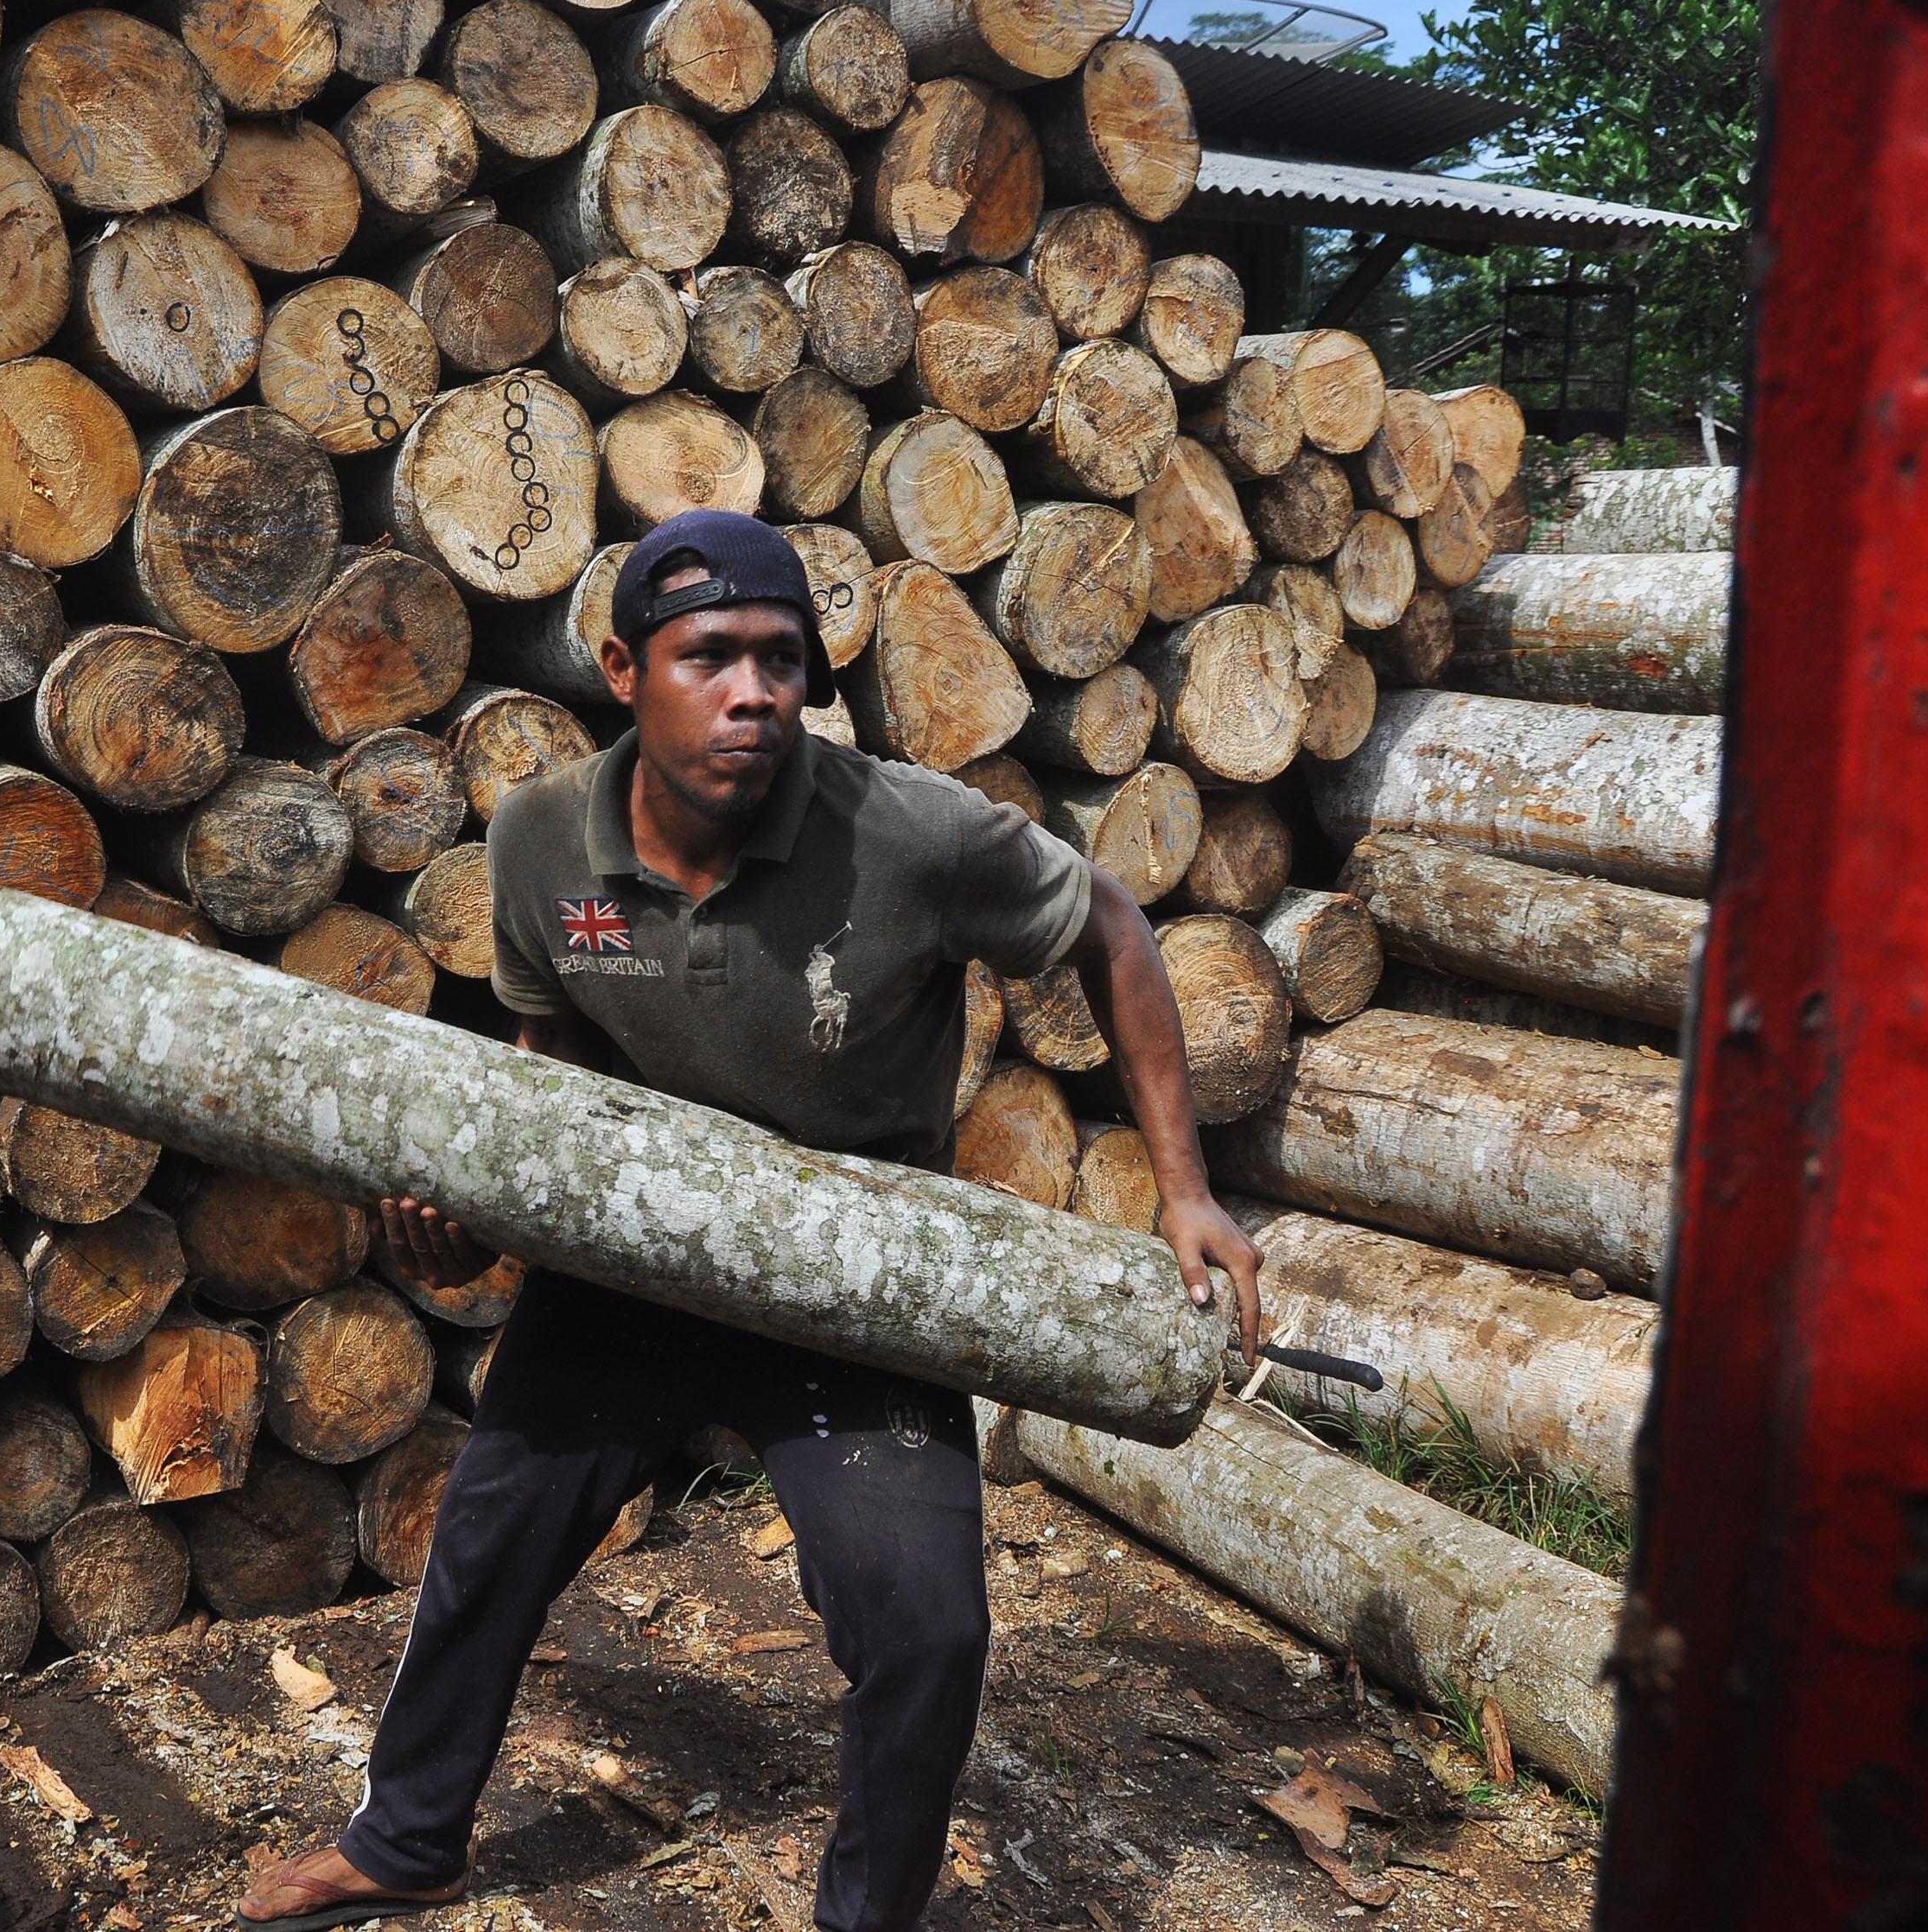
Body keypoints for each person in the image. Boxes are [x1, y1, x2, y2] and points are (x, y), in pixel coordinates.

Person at [234, 510, 1264, 1932]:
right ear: (621, 668)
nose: (753, 692)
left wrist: (1187, 1192)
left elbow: (1110, 926)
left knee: (930, 1628)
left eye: (781, 659)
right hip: (639, 1266)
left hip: (853, 1286)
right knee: (486, 1535)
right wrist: (474, 1232)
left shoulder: (902, 832)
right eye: (709, 654)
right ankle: (409, 1838)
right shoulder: (542, 842)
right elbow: (559, 1082)